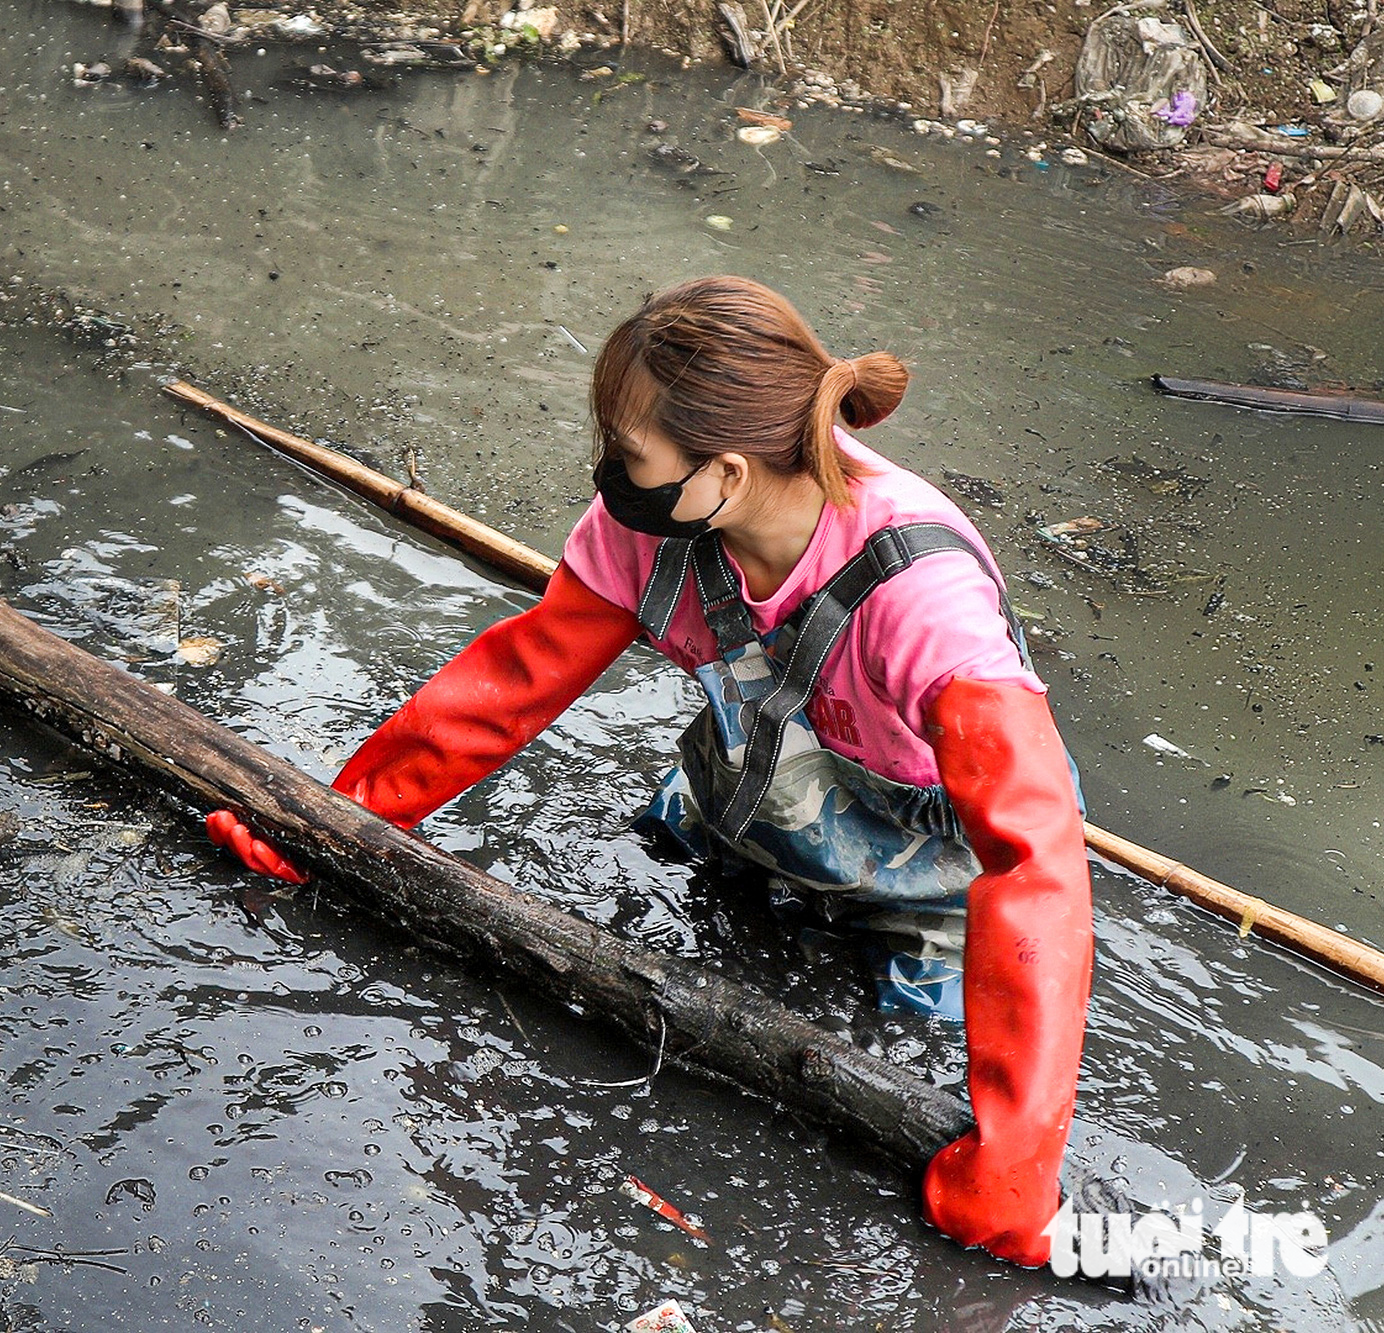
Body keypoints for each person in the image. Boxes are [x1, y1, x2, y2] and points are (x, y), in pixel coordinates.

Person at [205, 275, 1092, 1268]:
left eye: (629, 456)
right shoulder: (656, 524)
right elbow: (509, 681)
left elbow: (1036, 868)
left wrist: (1013, 1159)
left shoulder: (924, 601)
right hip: (739, 802)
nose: (608, 478)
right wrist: (329, 825)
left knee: (906, 1061)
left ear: (724, 472)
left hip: (927, 872)